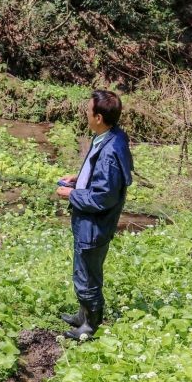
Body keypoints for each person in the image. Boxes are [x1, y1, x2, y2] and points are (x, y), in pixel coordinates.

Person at [55, 90, 133, 341]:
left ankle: (90, 325)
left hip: (94, 224)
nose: (85, 115)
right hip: (91, 223)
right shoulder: (109, 137)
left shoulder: (110, 151)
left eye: (88, 111)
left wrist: (71, 194)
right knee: (84, 268)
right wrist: (79, 179)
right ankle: (83, 315)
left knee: (87, 273)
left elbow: (102, 197)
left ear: (98, 117)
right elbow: (102, 179)